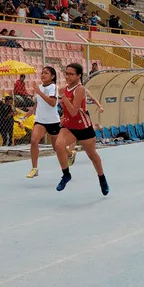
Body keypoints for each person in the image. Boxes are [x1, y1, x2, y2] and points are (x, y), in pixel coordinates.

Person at [53, 63, 109, 194]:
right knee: (59, 145)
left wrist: (64, 97)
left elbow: (73, 111)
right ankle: (66, 174)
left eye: (71, 74)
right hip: (69, 126)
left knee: (92, 155)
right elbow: (67, 111)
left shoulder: (80, 89)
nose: (68, 76)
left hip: (83, 126)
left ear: (78, 76)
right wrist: (62, 116)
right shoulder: (64, 89)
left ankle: (102, 178)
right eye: (66, 73)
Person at [24, 67, 60, 178]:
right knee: (34, 141)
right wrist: (32, 111)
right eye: (42, 73)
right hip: (40, 121)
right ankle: (34, 168)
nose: (43, 75)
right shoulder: (39, 87)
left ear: (52, 76)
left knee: (56, 148)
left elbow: (52, 103)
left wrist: (39, 92)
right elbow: (40, 102)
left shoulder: (53, 87)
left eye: (46, 73)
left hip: (53, 121)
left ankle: (70, 154)